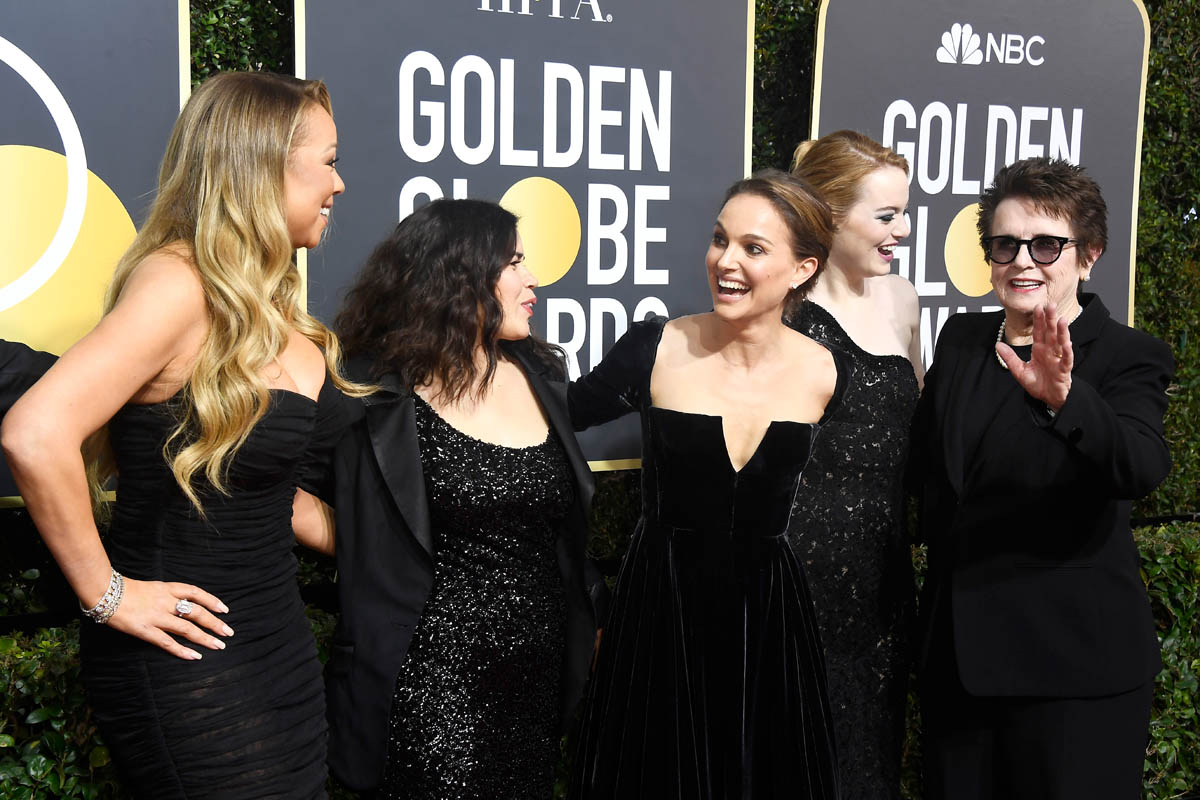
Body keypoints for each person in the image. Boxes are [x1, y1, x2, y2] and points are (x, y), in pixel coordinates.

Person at [1, 71, 362, 798]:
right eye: (327, 161)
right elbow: (34, 433)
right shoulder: (177, 284)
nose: (340, 183)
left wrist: (399, 548)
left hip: (274, 644)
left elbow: (272, 498)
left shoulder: (271, 308)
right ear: (261, 166)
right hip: (185, 664)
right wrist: (108, 595)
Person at [567, 170, 842, 799]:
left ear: (802, 269)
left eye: (753, 248)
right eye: (720, 240)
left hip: (768, 616)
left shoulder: (826, 372)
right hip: (661, 606)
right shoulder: (655, 348)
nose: (726, 261)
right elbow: (554, 418)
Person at [910, 157, 1173, 799]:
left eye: (1047, 245)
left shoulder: (1128, 354)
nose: (1023, 261)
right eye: (1005, 245)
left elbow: (1140, 465)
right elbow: (925, 470)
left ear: (1089, 256)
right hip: (959, 671)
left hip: (1072, 673)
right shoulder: (963, 341)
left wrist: (1065, 400)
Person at [322, 198, 601, 799]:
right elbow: (275, 485)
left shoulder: (542, 375)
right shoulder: (374, 391)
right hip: (434, 682)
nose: (533, 279)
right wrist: (365, 541)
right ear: (459, 276)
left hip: (536, 684)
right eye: (515, 263)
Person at [786, 129, 920, 797]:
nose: (903, 231)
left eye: (905, 213)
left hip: (882, 583)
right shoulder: (786, 312)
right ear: (832, 216)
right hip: (800, 583)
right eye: (887, 215)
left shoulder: (904, 301)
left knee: (873, 760)